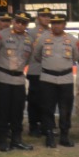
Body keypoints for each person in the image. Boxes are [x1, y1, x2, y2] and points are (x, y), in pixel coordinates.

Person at [0, 13, 36, 151]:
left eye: (24, 23)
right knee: (2, 110)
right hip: (2, 77)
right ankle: (2, 140)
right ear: (13, 21)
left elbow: (28, 59)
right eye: (18, 21)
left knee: (18, 111)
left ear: (27, 25)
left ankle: (16, 139)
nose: (20, 25)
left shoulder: (29, 39)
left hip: (19, 79)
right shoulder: (2, 35)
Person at [33, 16, 79, 148]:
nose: (56, 26)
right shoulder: (42, 39)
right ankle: (49, 135)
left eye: (59, 23)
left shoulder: (72, 40)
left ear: (64, 24)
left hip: (65, 78)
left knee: (65, 109)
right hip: (47, 78)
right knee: (47, 108)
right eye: (53, 23)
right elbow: (37, 56)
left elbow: (76, 56)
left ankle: (64, 135)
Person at [26, 9, 54, 138]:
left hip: (49, 71)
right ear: (38, 17)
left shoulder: (53, 31)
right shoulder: (31, 33)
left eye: (48, 16)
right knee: (34, 100)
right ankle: (33, 125)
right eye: (43, 16)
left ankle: (46, 125)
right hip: (36, 70)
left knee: (48, 100)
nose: (46, 18)